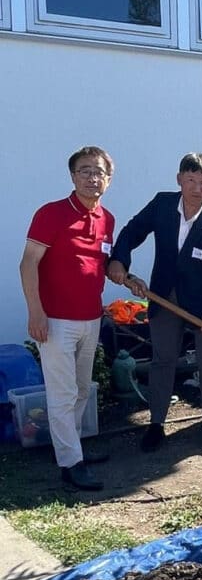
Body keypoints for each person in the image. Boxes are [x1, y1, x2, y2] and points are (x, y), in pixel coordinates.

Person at [108, 153, 202, 451]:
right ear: (179, 180)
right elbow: (133, 230)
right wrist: (119, 259)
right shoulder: (163, 204)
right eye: (191, 180)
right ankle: (156, 424)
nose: (197, 188)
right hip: (165, 295)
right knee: (163, 359)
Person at [20, 146, 115, 491]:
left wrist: (123, 273)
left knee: (81, 391)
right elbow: (28, 263)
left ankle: (70, 449)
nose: (92, 178)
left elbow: (101, 263)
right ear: (73, 177)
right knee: (62, 394)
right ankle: (71, 463)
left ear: (108, 179)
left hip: (91, 318)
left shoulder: (107, 219)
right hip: (55, 321)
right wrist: (36, 312)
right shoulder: (51, 213)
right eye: (85, 171)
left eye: (99, 172)